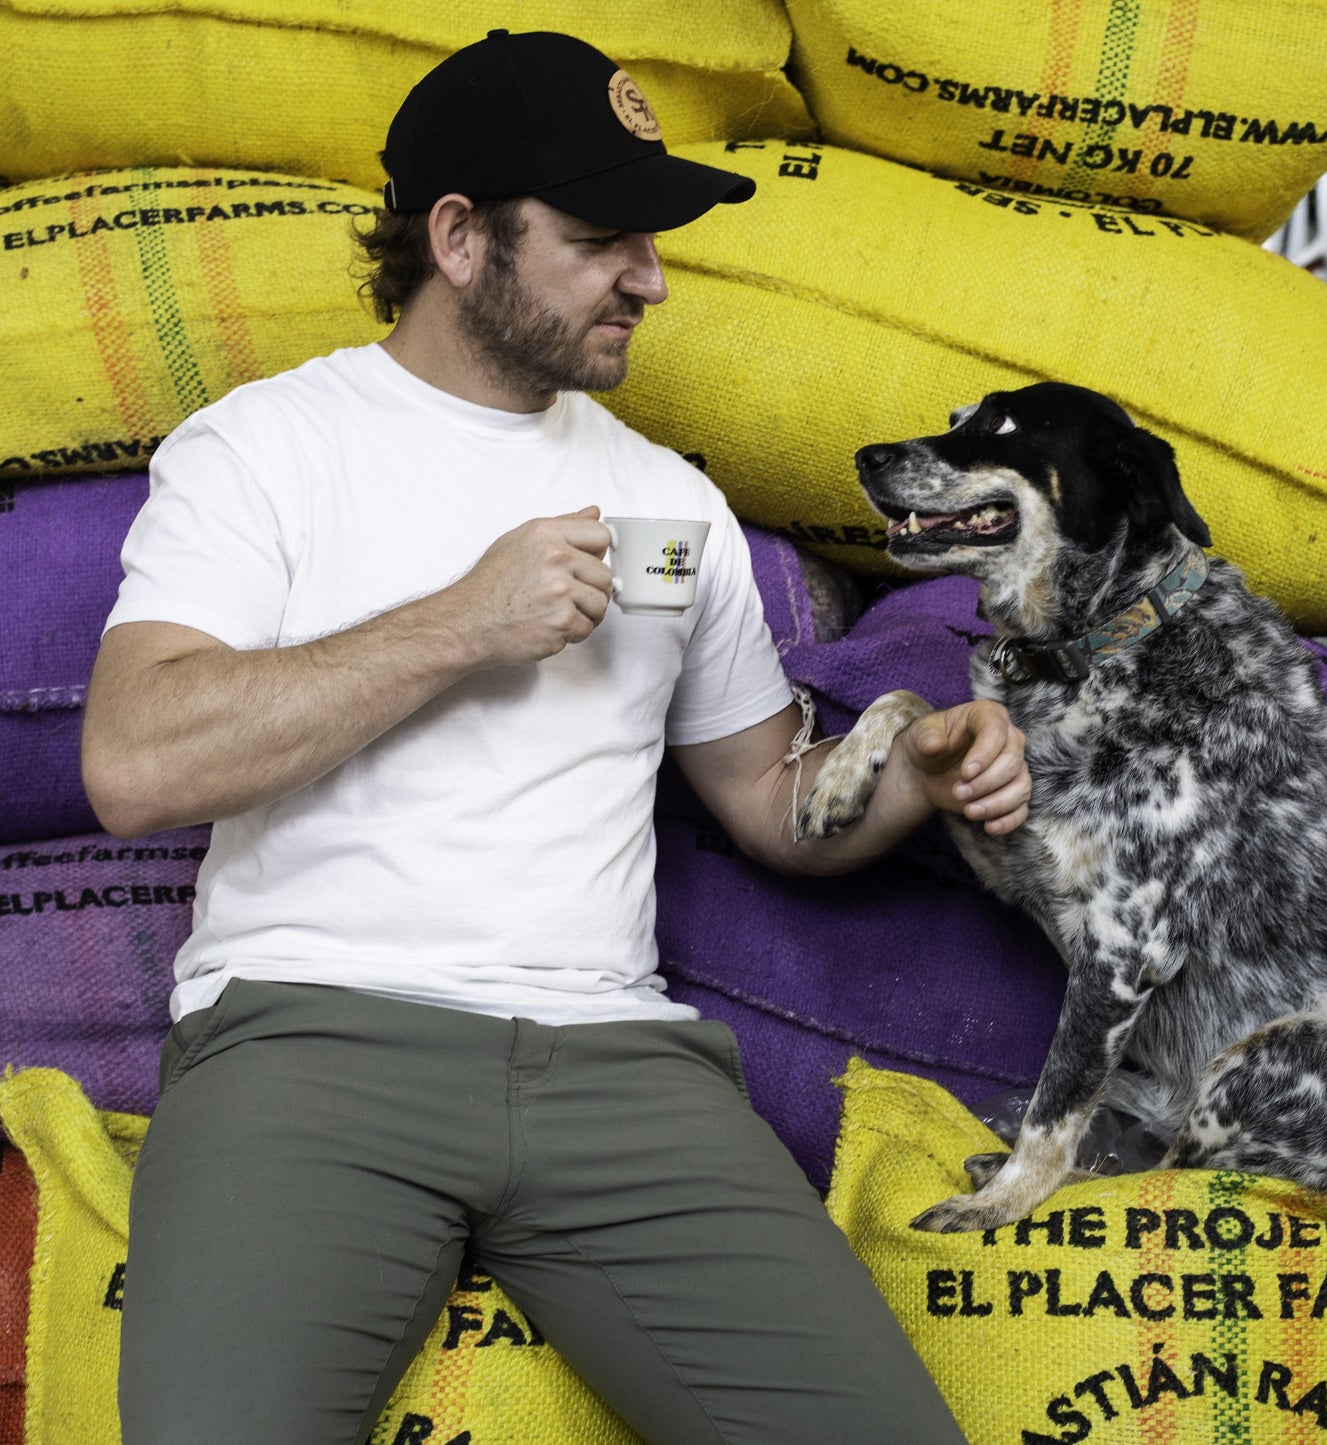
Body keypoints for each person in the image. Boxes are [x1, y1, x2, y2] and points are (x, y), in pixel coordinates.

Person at [81, 29, 1031, 1445]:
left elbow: (772, 796)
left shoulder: (668, 500)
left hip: (618, 1071)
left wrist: (911, 774)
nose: (646, 276)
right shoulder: (265, 449)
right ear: (459, 238)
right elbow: (133, 761)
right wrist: (459, 621)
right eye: (599, 240)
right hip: (312, 1046)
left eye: (647, 240)